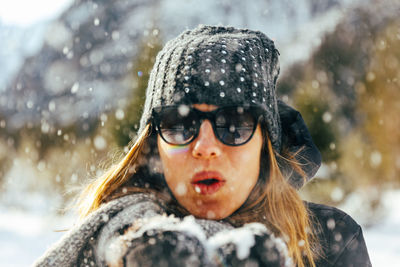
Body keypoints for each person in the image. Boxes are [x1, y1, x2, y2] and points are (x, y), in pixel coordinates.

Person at [34, 25, 371, 267]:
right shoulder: (109, 244)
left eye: (235, 125)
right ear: (154, 146)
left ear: (265, 143)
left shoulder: (330, 243)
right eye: (180, 126)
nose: (204, 147)